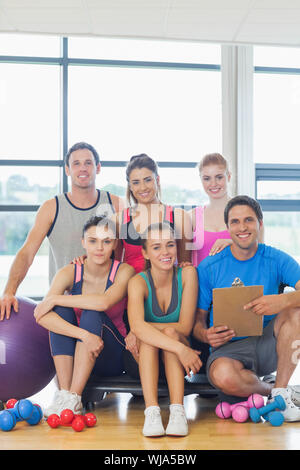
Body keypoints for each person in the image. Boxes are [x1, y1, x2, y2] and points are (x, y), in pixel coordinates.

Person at [193, 195, 300, 421]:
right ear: (227, 227)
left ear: (260, 224)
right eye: (235, 222)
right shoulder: (210, 267)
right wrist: (205, 334)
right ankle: (275, 393)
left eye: (249, 220)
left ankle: (280, 391)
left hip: (268, 344)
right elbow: (197, 322)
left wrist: (283, 301)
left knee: (296, 310)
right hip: (227, 350)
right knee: (223, 376)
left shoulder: (277, 259)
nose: (242, 227)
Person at [0, 142, 123, 321]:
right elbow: (27, 253)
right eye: (76, 163)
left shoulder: (116, 205)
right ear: (67, 169)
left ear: (98, 168)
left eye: (88, 163)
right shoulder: (51, 208)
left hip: (104, 306)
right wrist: (9, 291)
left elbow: (129, 253)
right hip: (63, 304)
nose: (83, 168)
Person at [34, 216, 135, 417]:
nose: (99, 248)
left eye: (106, 241)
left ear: (114, 243)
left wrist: (56, 299)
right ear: (83, 242)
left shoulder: (124, 271)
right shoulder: (69, 272)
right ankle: (65, 395)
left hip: (111, 355)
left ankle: (74, 396)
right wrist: (84, 335)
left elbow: (103, 302)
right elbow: (41, 314)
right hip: (83, 350)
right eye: (93, 241)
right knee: (60, 313)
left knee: (91, 312)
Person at [127, 222, 202, 437]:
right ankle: (152, 412)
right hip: (146, 359)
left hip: (179, 359)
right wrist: (179, 349)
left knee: (167, 334)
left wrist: (141, 327)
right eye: (156, 247)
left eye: (170, 245)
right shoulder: (137, 282)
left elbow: (185, 327)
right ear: (146, 253)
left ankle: (178, 411)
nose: (165, 252)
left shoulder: (188, 274)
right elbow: (137, 328)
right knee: (155, 338)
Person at [116, 153, 192, 274]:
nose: (143, 187)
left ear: (157, 179)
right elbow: (112, 267)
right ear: (130, 186)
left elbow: (184, 266)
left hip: (167, 289)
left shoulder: (180, 217)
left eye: (147, 180)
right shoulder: (118, 220)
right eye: (136, 182)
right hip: (129, 289)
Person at [190, 153, 264, 266]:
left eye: (219, 177)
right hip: (202, 282)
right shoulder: (192, 217)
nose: (213, 184)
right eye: (207, 179)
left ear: (228, 176)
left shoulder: (249, 211)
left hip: (242, 281)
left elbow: (262, 255)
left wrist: (235, 244)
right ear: (201, 180)